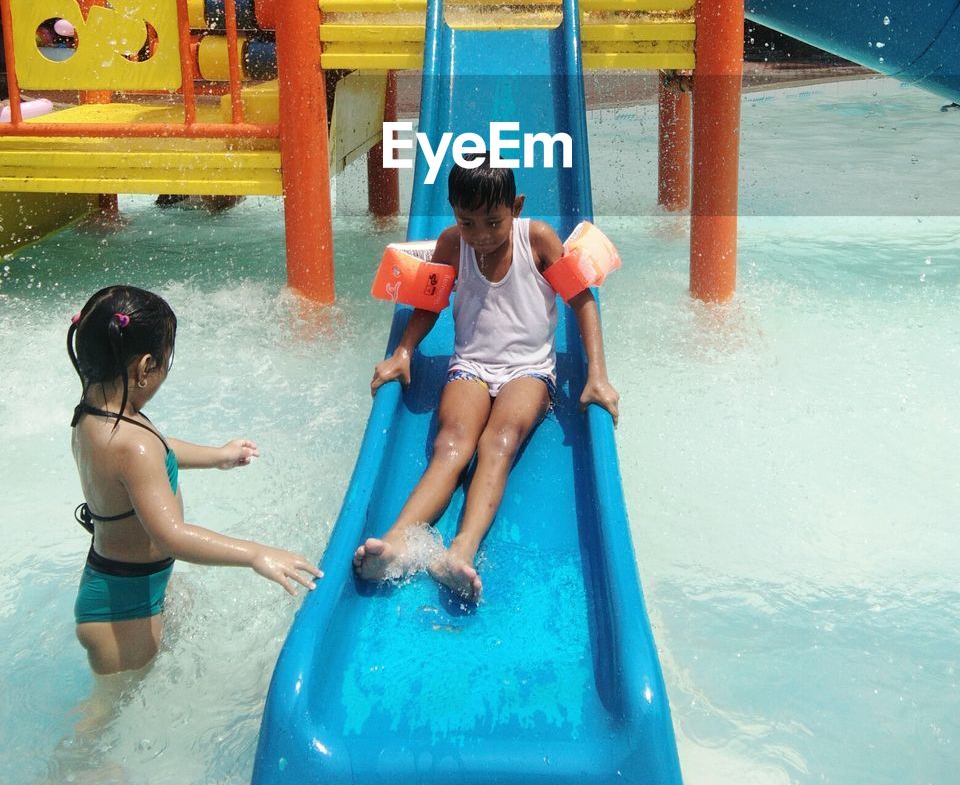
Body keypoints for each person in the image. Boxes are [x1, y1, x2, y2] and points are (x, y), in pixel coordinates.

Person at [353, 157, 620, 601]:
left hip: (529, 369)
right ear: (454, 212)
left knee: (498, 442)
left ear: (515, 206)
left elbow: (582, 301)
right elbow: (428, 302)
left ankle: (461, 549)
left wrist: (597, 374)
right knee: (452, 445)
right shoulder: (452, 244)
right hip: (471, 364)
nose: (480, 236)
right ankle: (397, 540)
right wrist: (404, 353)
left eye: (492, 222)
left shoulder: (537, 239)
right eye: (467, 222)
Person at [69, 285, 321, 675]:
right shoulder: (131, 445)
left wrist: (217, 456)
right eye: (167, 362)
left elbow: (158, 451)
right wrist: (256, 554)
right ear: (145, 367)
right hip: (124, 613)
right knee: (102, 725)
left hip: (120, 584)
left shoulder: (96, 413)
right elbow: (170, 536)